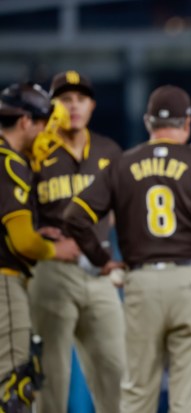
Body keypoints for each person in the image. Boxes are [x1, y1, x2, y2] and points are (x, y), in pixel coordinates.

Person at [63, 84, 191, 413]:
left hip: (141, 283)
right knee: (187, 400)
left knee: (138, 393)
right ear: (186, 123)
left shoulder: (122, 164)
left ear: (147, 123)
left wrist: (102, 260)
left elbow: (75, 217)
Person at [27, 70, 126, 413]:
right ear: (51, 106)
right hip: (52, 269)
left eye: (80, 99)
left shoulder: (108, 150)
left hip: (98, 274)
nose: (73, 106)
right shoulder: (35, 149)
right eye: (65, 99)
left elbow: (119, 207)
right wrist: (35, 234)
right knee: (52, 379)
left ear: (92, 105)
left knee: (115, 372)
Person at [0, 82, 80, 411]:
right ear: (24, 121)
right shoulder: (9, 163)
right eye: (43, 121)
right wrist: (53, 250)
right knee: (13, 386)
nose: (48, 130)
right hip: (4, 281)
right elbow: (22, 241)